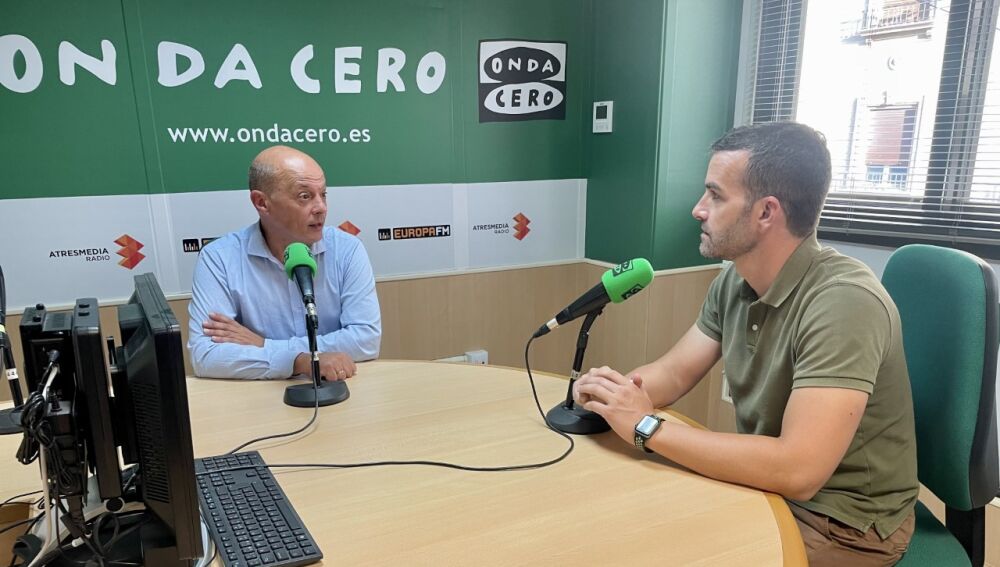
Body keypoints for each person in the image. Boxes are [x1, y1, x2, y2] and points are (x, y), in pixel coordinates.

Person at [573, 122, 918, 566]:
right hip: (770, 490)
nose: (699, 209)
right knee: (623, 522)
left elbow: (799, 471)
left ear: (766, 212)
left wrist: (646, 427)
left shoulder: (845, 302)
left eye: (715, 195)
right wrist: (616, 395)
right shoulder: (737, 278)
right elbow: (676, 372)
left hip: (842, 523)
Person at [188, 145, 381, 381]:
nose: (321, 207)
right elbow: (206, 356)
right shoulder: (218, 258)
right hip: (259, 403)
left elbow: (366, 339)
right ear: (261, 202)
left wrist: (263, 345)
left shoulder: (347, 249)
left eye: (323, 194)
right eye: (305, 196)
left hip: (339, 389)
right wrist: (299, 361)